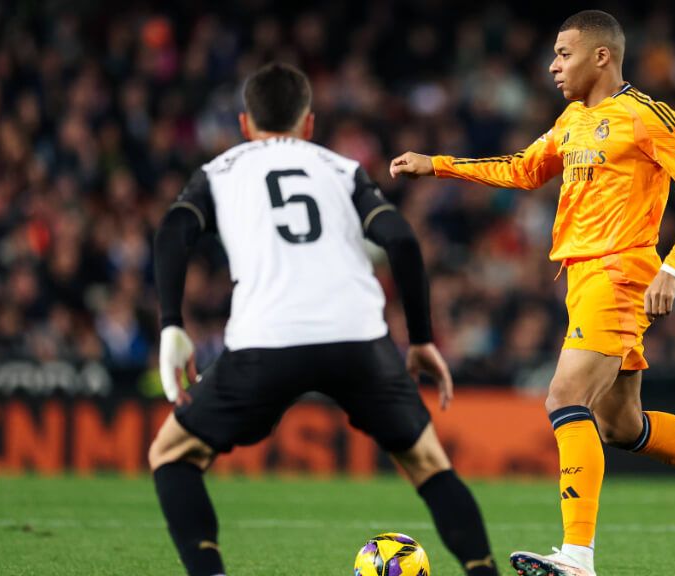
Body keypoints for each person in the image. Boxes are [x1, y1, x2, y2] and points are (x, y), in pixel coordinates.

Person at [390, 10, 675, 576]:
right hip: (581, 280)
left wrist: (672, 269)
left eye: (564, 53)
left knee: (562, 397)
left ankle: (578, 557)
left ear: (601, 56)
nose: (553, 65)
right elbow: (522, 169)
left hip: (620, 274)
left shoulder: (645, 116)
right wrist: (438, 165)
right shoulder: (573, 119)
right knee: (622, 427)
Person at [149, 62, 498, 576]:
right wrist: (421, 339)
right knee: (428, 465)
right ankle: (483, 571)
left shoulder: (219, 172)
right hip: (357, 337)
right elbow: (400, 240)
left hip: (266, 337)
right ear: (308, 124)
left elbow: (173, 231)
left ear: (245, 124)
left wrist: (171, 324)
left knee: (172, 455)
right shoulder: (341, 169)